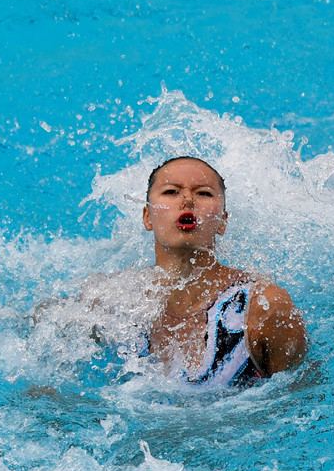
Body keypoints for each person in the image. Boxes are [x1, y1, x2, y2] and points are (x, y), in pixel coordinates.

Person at [125, 155, 308, 388]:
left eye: (203, 193)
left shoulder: (264, 307)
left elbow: (301, 397)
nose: (188, 200)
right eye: (171, 192)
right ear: (147, 217)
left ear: (223, 221)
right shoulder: (116, 303)